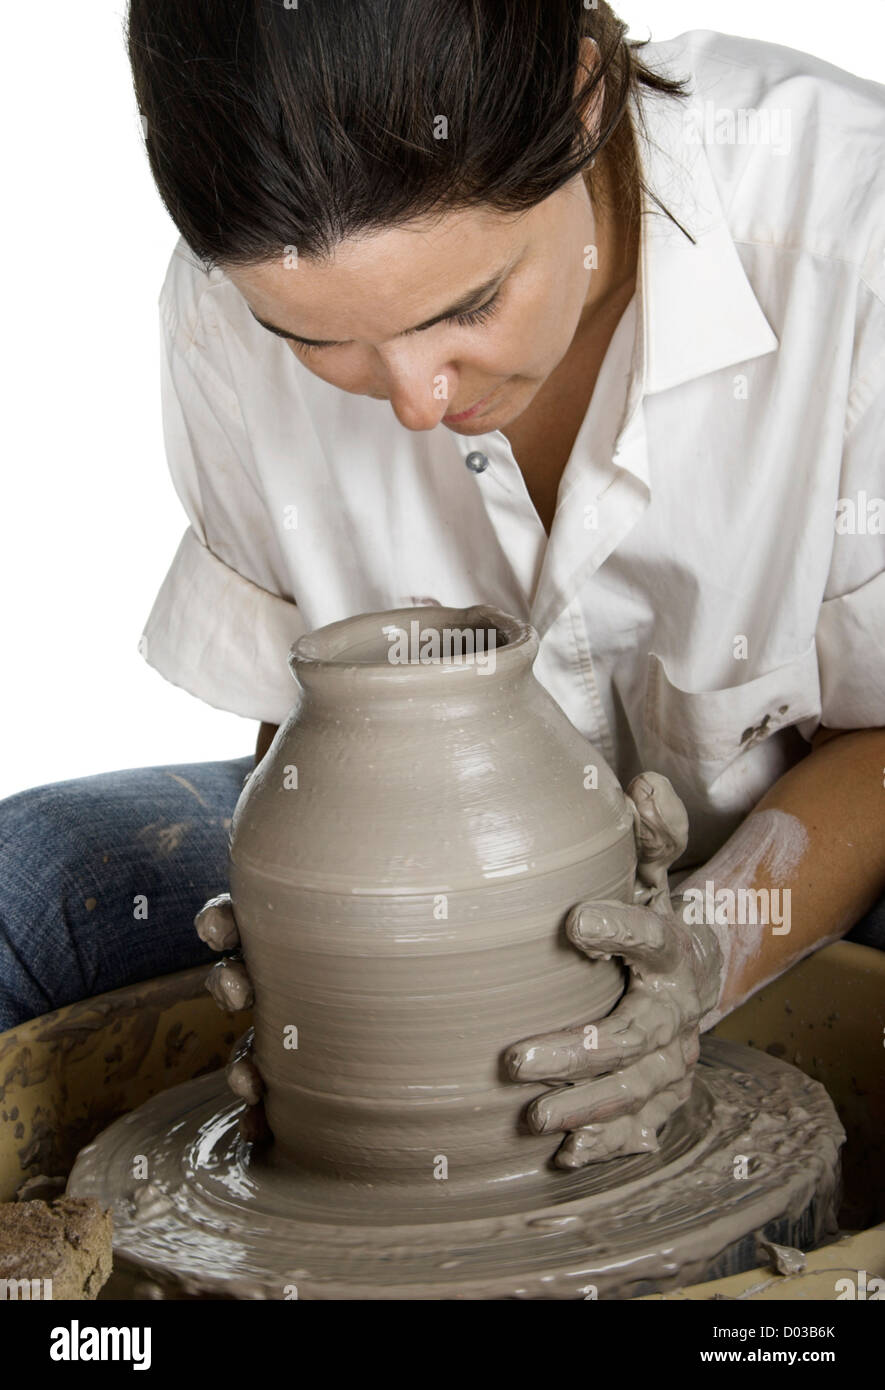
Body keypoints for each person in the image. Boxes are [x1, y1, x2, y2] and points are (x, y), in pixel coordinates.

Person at [1, 2, 883, 1166]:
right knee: (30, 890)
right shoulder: (224, 311)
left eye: (467, 305)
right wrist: (298, 935)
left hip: (814, 855)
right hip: (438, 874)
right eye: (324, 341)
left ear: (584, 100)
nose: (417, 400)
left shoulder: (849, 239)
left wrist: (710, 945)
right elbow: (301, 720)